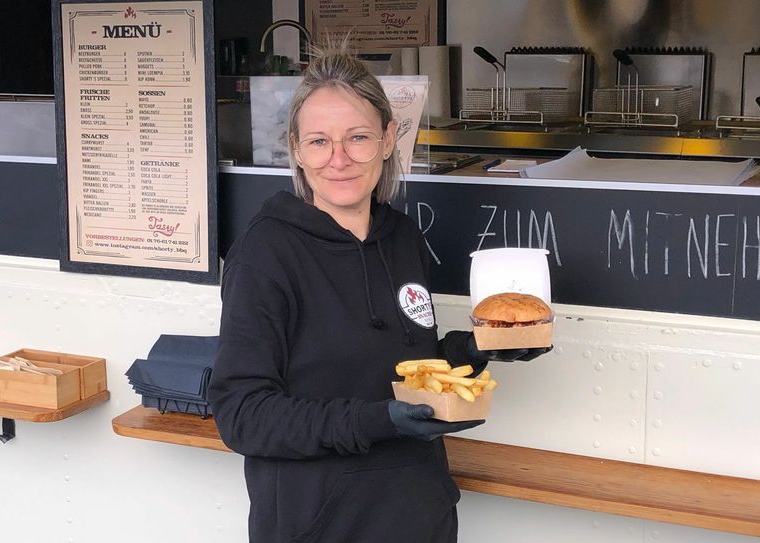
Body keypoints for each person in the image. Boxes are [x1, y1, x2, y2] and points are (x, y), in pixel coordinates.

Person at [208, 38, 550, 543]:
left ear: (389, 139)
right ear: (297, 150)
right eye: (320, 141)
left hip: (419, 514)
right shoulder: (266, 254)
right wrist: (377, 421)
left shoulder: (402, 237)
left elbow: (408, 361)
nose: (339, 159)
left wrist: (474, 348)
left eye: (359, 137)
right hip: (319, 526)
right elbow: (243, 415)